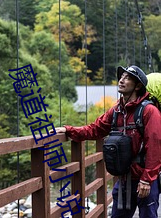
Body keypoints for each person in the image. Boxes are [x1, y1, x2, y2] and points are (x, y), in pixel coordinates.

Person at [51, 65, 161, 218]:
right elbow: (95, 129)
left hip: (144, 179)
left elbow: (155, 147)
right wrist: (68, 130)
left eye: (127, 78)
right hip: (124, 178)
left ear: (138, 86)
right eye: (121, 77)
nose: (121, 80)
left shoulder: (149, 111)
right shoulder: (116, 111)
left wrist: (147, 180)